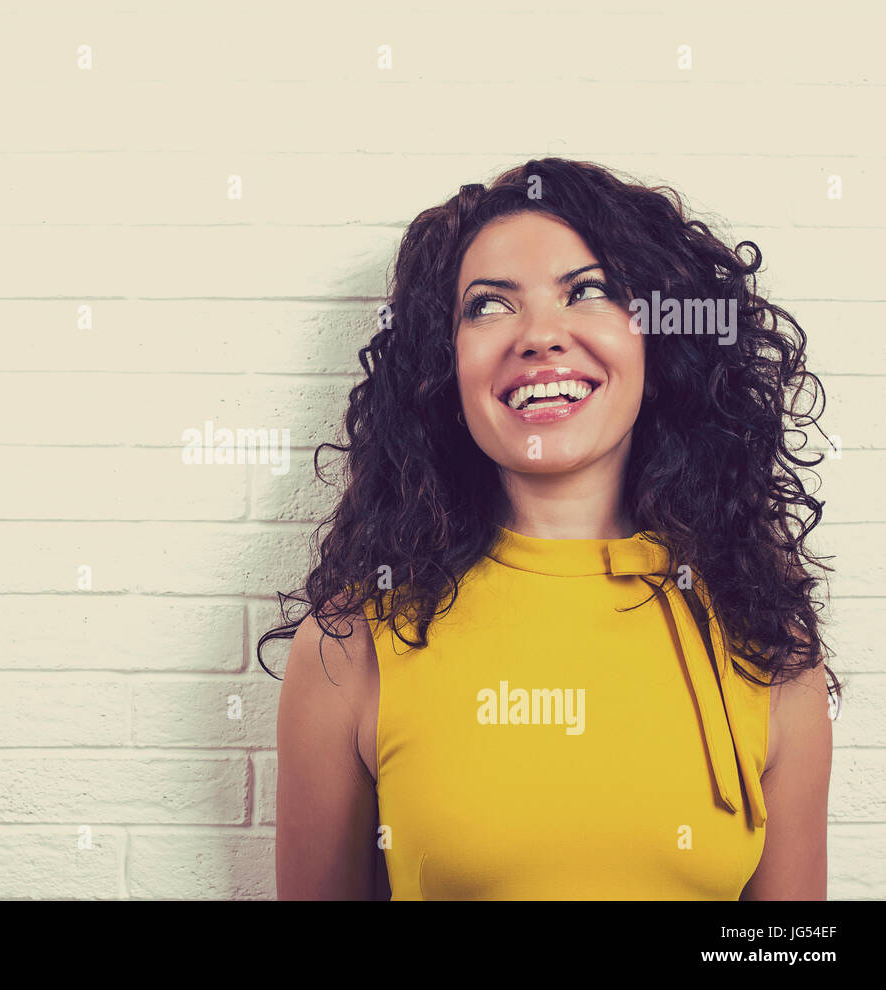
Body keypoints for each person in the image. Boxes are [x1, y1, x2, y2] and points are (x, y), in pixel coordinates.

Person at [262, 158, 839, 900]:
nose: (540, 335)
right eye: (489, 307)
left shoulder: (768, 639)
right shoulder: (351, 644)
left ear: (657, 349)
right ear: (446, 372)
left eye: (588, 291)